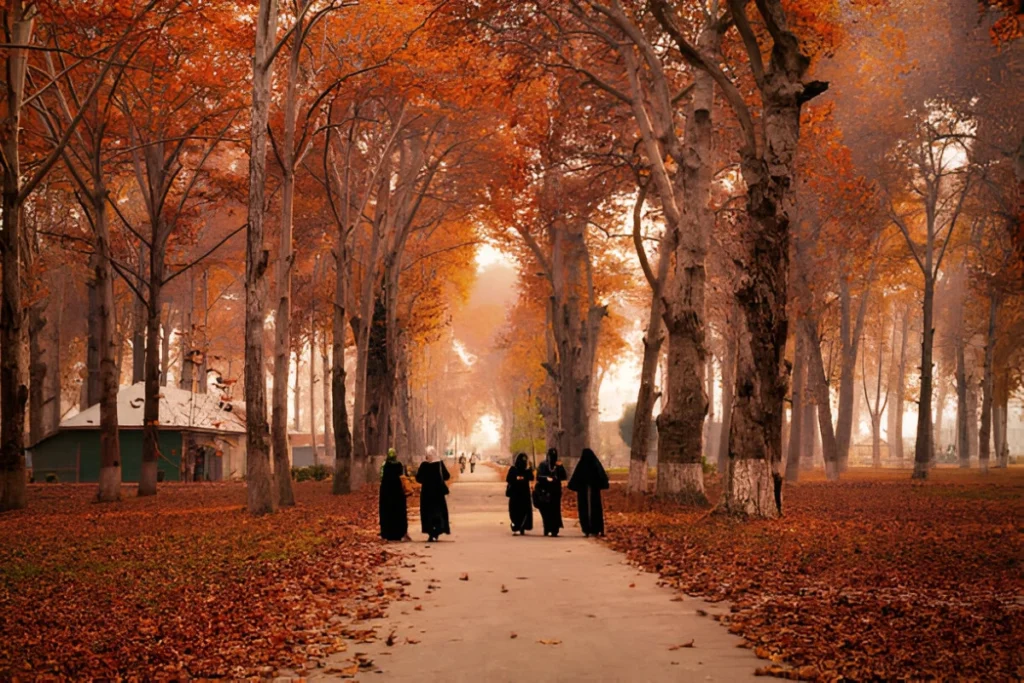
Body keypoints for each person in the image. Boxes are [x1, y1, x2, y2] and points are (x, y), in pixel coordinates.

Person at [568, 448, 610, 537]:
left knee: (585, 510)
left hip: (584, 492)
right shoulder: (595, 464)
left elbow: (575, 480)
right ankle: (595, 528)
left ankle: (587, 529)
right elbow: (602, 477)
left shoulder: (581, 466)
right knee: (595, 510)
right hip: (593, 492)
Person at [415, 446, 451, 542]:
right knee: (438, 512)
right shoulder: (439, 464)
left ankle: (431, 533)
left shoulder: (424, 465)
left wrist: (426, 480)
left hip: (426, 493)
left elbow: (418, 478)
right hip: (438, 493)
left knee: (428, 513)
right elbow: (447, 476)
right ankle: (437, 531)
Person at [534, 448, 567, 537]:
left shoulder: (558, 465)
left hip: (555, 491)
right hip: (545, 491)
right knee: (546, 511)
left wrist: (561, 467)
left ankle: (554, 529)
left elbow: (563, 476)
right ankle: (547, 528)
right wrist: (546, 479)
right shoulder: (543, 465)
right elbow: (538, 477)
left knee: (555, 511)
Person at [379, 448, 410, 542]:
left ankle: (387, 533)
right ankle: (399, 533)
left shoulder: (384, 465)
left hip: (386, 493)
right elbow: (403, 476)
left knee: (387, 512)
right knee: (399, 512)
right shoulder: (399, 465)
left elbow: (381, 476)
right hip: (398, 493)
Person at [505, 452, 534, 535]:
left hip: (524, 495)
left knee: (524, 512)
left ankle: (522, 526)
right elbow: (508, 479)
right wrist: (517, 478)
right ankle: (516, 526)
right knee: (514, 512)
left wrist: (530, 469)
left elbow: (531, 477)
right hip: (515, 494)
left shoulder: (526, 471)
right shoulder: (513, 469)